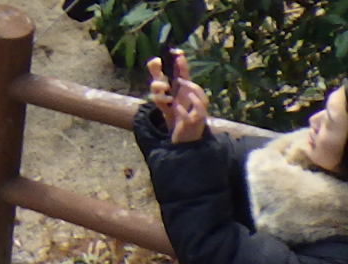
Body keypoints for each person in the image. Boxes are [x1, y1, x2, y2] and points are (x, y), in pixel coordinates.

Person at [134, 54, 348, 264]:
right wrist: (174, 121)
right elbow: (219, 162)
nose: (313, 120)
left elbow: (219, 253)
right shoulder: (290, 155)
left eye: (330, 121)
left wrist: (187, 148)